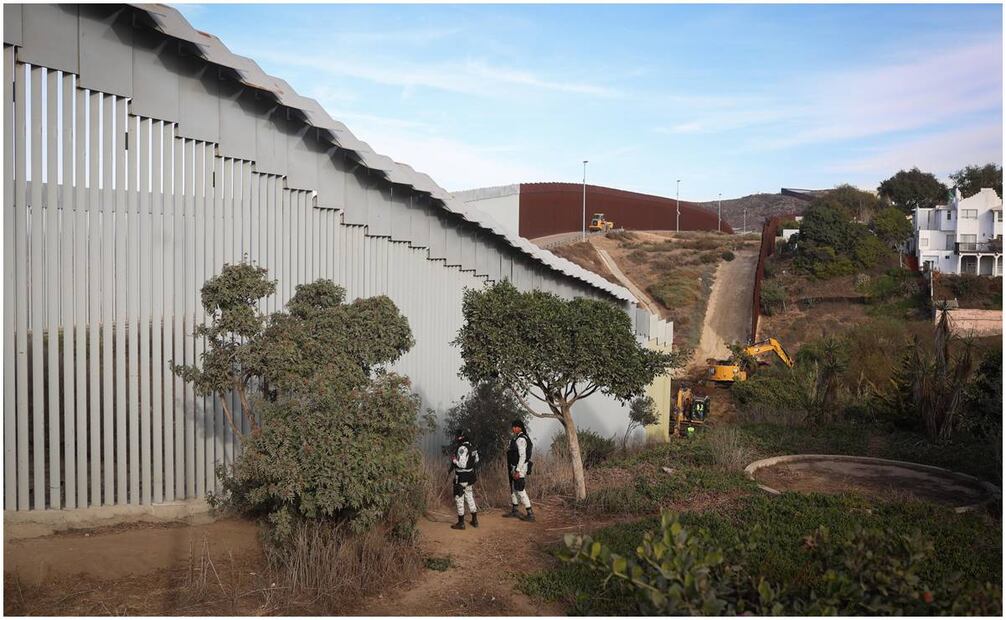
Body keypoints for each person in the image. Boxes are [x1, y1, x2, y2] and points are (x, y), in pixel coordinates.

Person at [503, 419, 534, 521]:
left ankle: (530, 514)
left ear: (519, 428)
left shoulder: (521, 439)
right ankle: (515, 510)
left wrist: (517, 470)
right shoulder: (520, 438)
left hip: (519, 468)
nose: (513, 428)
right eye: (513, 426)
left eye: (515, 427)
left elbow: (522, 456)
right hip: (515, 467)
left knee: (520, 489)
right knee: (513, 488)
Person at [449, 430, 479, 530]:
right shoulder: (472, 447)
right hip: (470, 476)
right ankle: (475, 520)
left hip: (461, 476)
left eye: (457, 436)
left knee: (459, 498)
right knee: (469, 496)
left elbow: (462, 464)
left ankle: (461, 523)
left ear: (461, 437)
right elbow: (476, 460)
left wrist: (454, 460)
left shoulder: (462, 448)